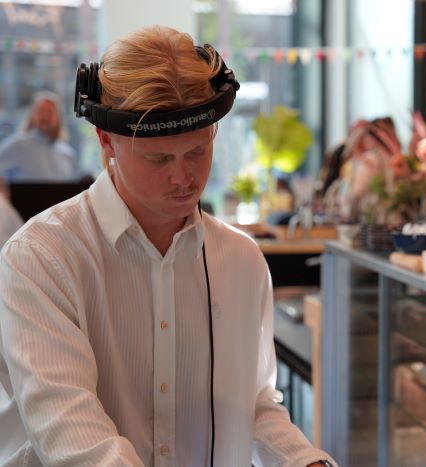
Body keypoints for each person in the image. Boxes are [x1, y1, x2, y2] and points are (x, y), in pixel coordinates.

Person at [0, 26, 335, 467]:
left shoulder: (241, 260)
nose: (183, 178)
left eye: (197, 151)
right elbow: (76, 439)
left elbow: (251, 408)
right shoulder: (41, 259)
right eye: (158, 158)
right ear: (106, 140)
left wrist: (304, 460)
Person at [0, 91, 78, 181]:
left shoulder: (68, 154)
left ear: (58, 118)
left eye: (50, 112)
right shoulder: (16, 146)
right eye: (41, 111)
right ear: (32, 116)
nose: (44, 116)